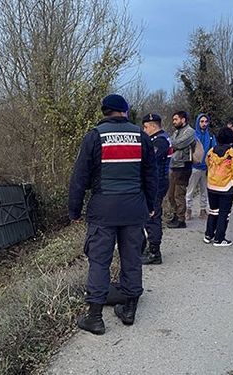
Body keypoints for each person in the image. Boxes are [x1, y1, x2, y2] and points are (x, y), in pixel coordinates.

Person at [68, 94, 157, 334]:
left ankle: (95, 318)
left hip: (103, 210)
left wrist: (74, 210)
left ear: (105, 111)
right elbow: (151, 175)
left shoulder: (95, 136)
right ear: (125, 111)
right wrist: (151, 204)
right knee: (132, 259)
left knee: (99, 261)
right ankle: (129, 311)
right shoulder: (141, 136)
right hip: (134, 209)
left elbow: (79, 177)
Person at [204, 127, 233, 246]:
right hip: (226, 187)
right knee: (224, 214)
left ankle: (208, 235)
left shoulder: (211, 151)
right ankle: (219, 239)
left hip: (212, 185)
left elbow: (208, 164)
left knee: (213, 211)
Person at [140, 113, 172, 265]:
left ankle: (154, 252)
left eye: (146, 127)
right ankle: (150, 247)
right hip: (156, 182)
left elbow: (149, 160)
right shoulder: (157, 139)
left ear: (153, 126)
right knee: (148, 217)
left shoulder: (160, 141)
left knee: (152, 216)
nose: (144, 130)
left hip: (158, 183)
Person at [167, 110, 196, 229]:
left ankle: (181, 219)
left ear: (183, 120)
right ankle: (175, 215)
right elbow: (171, 143)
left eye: (176, 119)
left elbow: (177, 144)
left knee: (179, 194)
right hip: (174, 165)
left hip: (184, 166)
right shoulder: (177, 132)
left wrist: (171, 143)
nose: (174, 122)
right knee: (171, 194)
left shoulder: (190, 132)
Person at [186, 113, 217, 220]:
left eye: (206, 121)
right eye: (202, 121)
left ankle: (203, 210)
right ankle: (188, 210)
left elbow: (214, 150)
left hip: (206, 168)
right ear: (198, 122)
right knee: (190, 190)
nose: (204, 124)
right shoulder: (193, 136)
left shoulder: (211, 136)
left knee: (204, 191)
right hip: (194, 167)